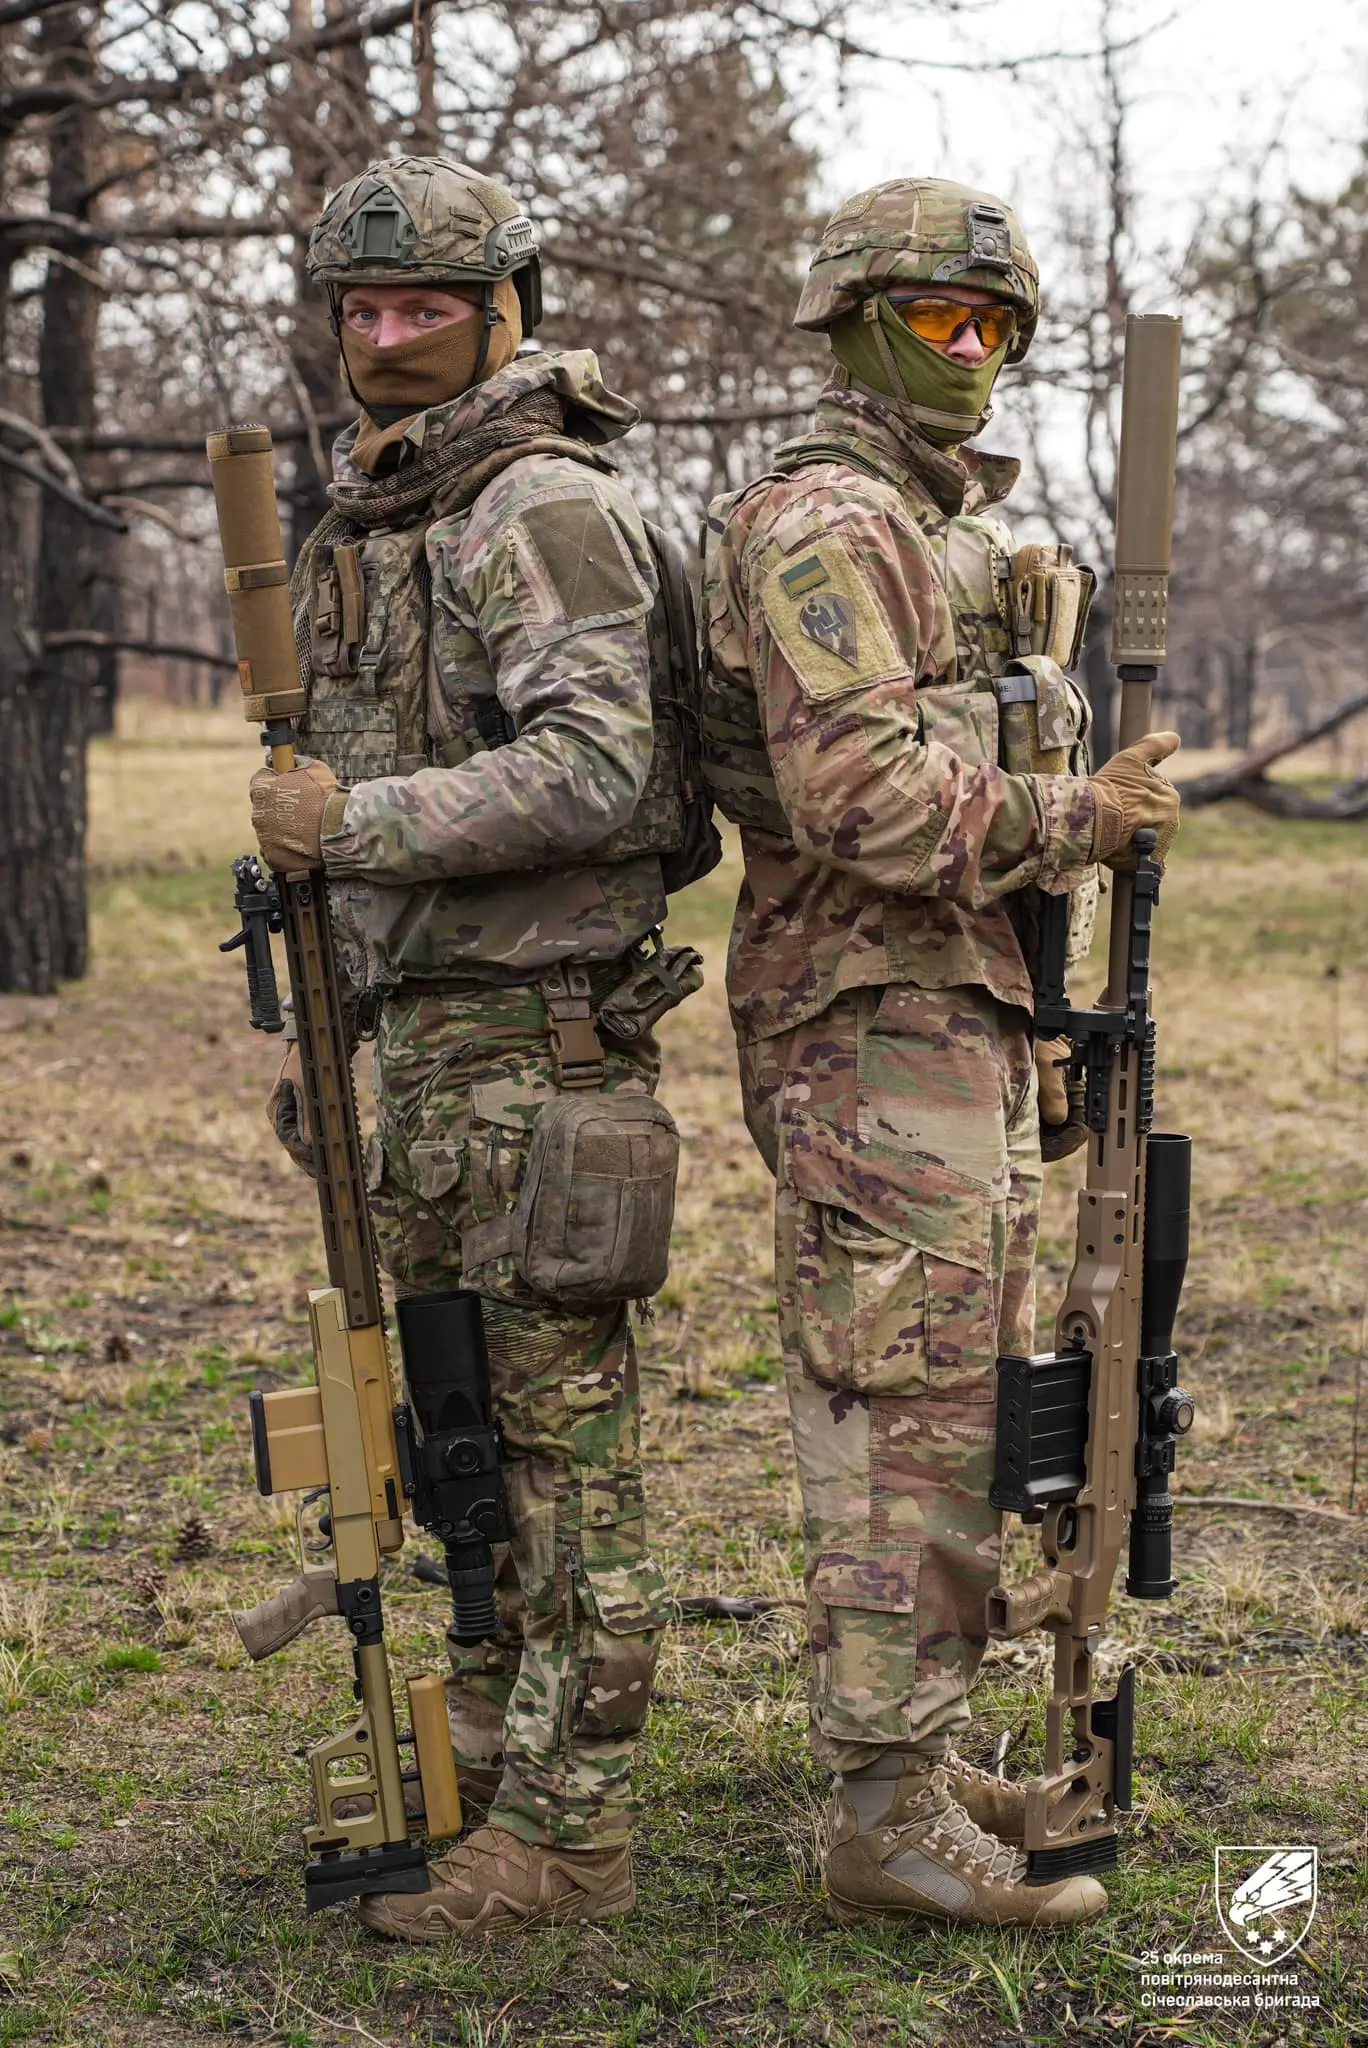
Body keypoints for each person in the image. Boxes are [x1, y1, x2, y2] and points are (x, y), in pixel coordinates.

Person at [700, 178, 1181, 1928]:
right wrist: (1081, 815)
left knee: (969, 1398)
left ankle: (909, 1766)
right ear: (847, 321)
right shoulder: (830, 524)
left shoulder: (939, 529)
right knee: (910, 1408)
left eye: (996, 329)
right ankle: (880, 1822)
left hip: (945, 1014)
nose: (970, 354)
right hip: (870, 1028)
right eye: (937, 320)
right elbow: (857, 792)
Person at [248, 156, 685, 1942]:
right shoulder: (387, 517)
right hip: (430, 1058)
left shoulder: (537, 507)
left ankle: (573, 1841)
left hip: (542, 1053)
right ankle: (490, 1746)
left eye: (426, 304)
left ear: (511, 311)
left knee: (570, 1465)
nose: (386, 338)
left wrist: (347, 823)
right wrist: (336, 1026)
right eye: (361, 310)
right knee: (459, 1436)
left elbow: (601, 772)